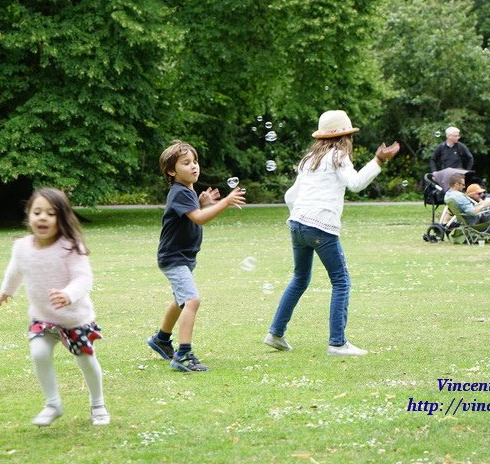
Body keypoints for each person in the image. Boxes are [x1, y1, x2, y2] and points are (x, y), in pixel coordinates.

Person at [264, 110, 400, 356]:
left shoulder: (308, 160)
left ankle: (275, 333)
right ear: (345, 137)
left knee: (299, 279)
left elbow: (290, 196)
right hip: (321, 226)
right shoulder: (338, 156)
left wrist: (300, 217)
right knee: (341, 281)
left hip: (297, 225)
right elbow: (356, 184)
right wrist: (378, 160)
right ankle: (337, 343)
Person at [0, 188, 109, 426]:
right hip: (43, 318)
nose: (43, 218)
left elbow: (84, 278)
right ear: (29, 216)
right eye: (37, 212)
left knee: (87, 362)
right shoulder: (22, 247)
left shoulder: (70, 246)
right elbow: (15, 270)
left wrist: (68, 294)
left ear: (62, 218)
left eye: (50, 213)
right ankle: (53, 404)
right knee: (39, 353)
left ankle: (98, 404)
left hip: (74, 319)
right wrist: (7, 291)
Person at [147, 141, 246, 372]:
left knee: (181, 300)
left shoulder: (188, 191)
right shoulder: (179, 191)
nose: (194, 167)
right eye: (186, 163)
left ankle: (161, 339)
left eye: (195, 162)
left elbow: (193, 214)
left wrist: (201, 203)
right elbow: (199, 219)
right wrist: (225, 202)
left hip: (183, 256)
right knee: (192, 300)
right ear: (172, 171)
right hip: (174, 257)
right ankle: (183, 355)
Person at [443, 173, 490, 238]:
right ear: (456, 184)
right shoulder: (459, 196)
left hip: (470, 219)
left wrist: (479, 204)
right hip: (479, 219)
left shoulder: (448, 195)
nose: (464, 187)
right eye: (463, 185)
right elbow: (472, 212)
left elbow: (466, 209)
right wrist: (483, 205)